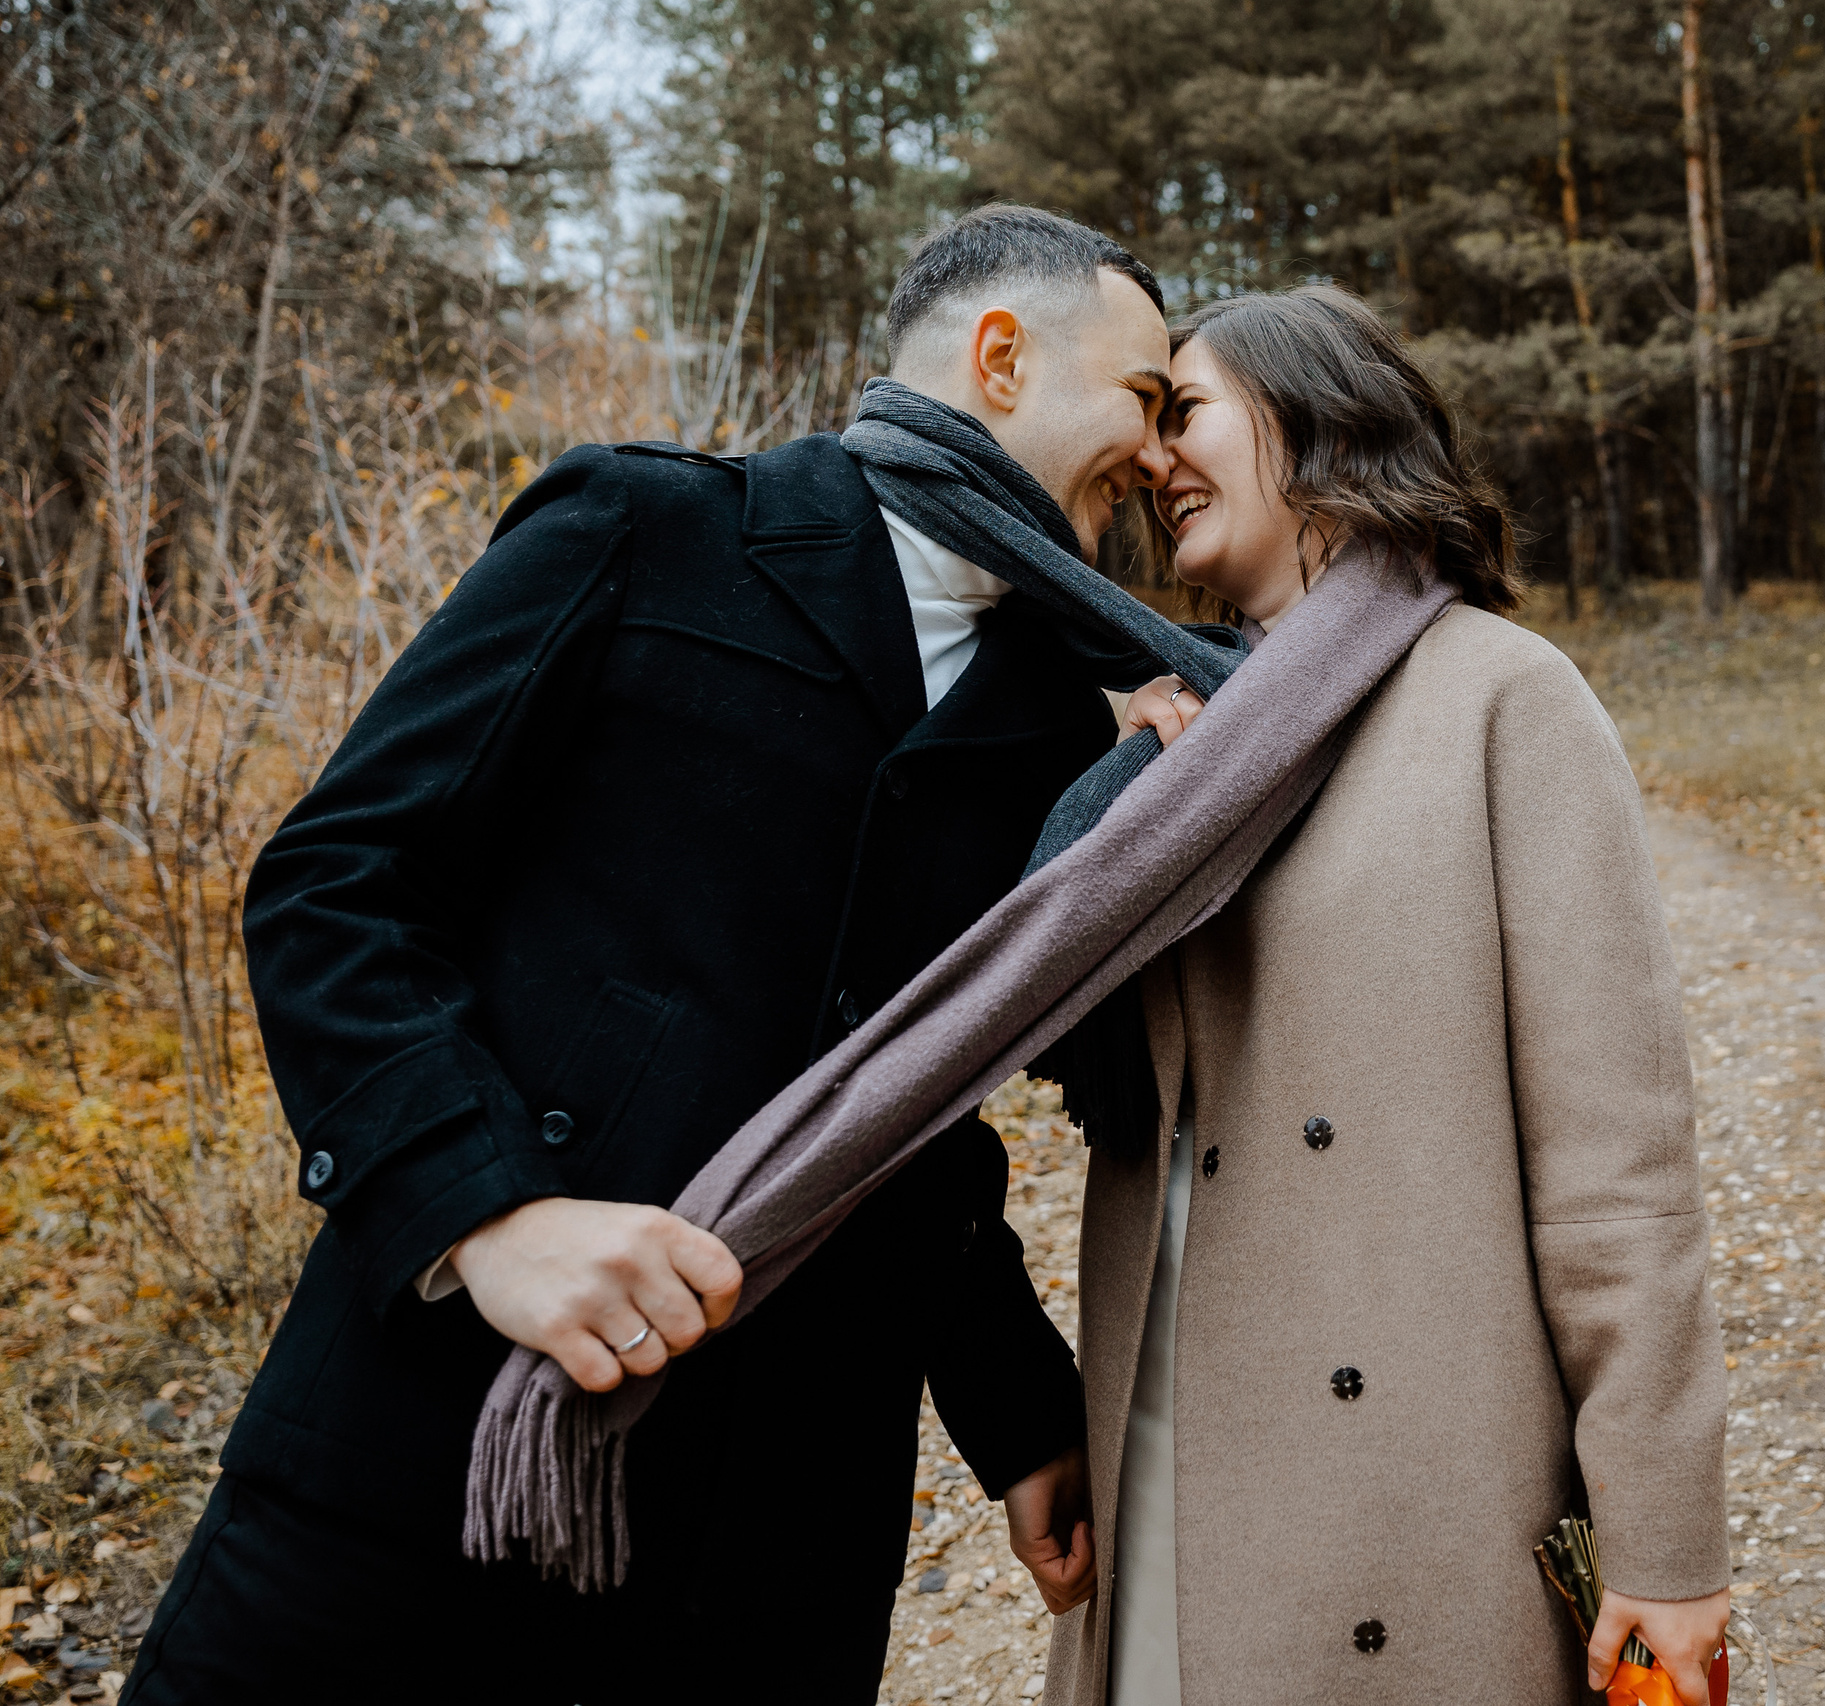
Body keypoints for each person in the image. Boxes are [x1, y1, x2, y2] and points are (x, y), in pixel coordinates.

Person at [130, 206, 1179, 1701]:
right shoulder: (648, 528)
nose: (1157, 454)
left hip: (774, 1540)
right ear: (1001, 356)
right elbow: (336, 884)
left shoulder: (1048, 724)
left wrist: (1018, 1413)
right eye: (1143, 396)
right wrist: (487, 1217)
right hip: (435, 1454)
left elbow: (912, 1110)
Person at [1043, 285, 1734, 1706]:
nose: (1156, 459)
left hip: (1408, 1471)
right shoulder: (1173, 731)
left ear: (1316, 417)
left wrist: (1664, 1538)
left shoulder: (1505, 699)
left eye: (1187, 412)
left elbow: (1619, 1171)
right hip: (1169, 1417)